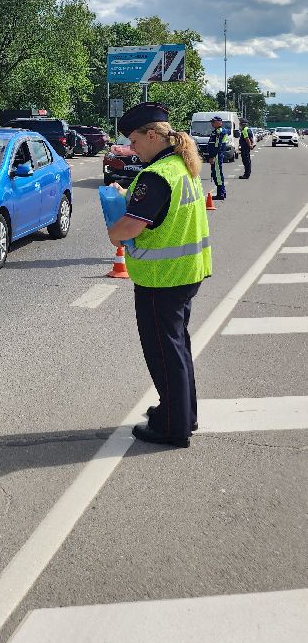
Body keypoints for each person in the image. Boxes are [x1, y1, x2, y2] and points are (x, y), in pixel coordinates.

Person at [107, 102, 211, 448]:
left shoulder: (156, 176)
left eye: (134, 141)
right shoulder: (181, 165)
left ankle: (171, 427)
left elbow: (129, 228)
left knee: (164, 354)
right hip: (186, 272)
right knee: (177, 348)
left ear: (152, 135)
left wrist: (114, 232)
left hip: (161, 279)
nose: (132, 148)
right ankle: (182, 413)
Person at [205, 115, 228, 200]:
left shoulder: (219, 131)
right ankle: (222, 193)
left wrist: (212, 157)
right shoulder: (216, 131)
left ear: (220, 122)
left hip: (217, 155)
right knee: (216, 174)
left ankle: (220, 194)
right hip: (216, 155)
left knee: (217, 175)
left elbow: (217, 146)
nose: (212, 123)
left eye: (214, 122)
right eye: (212, 122)